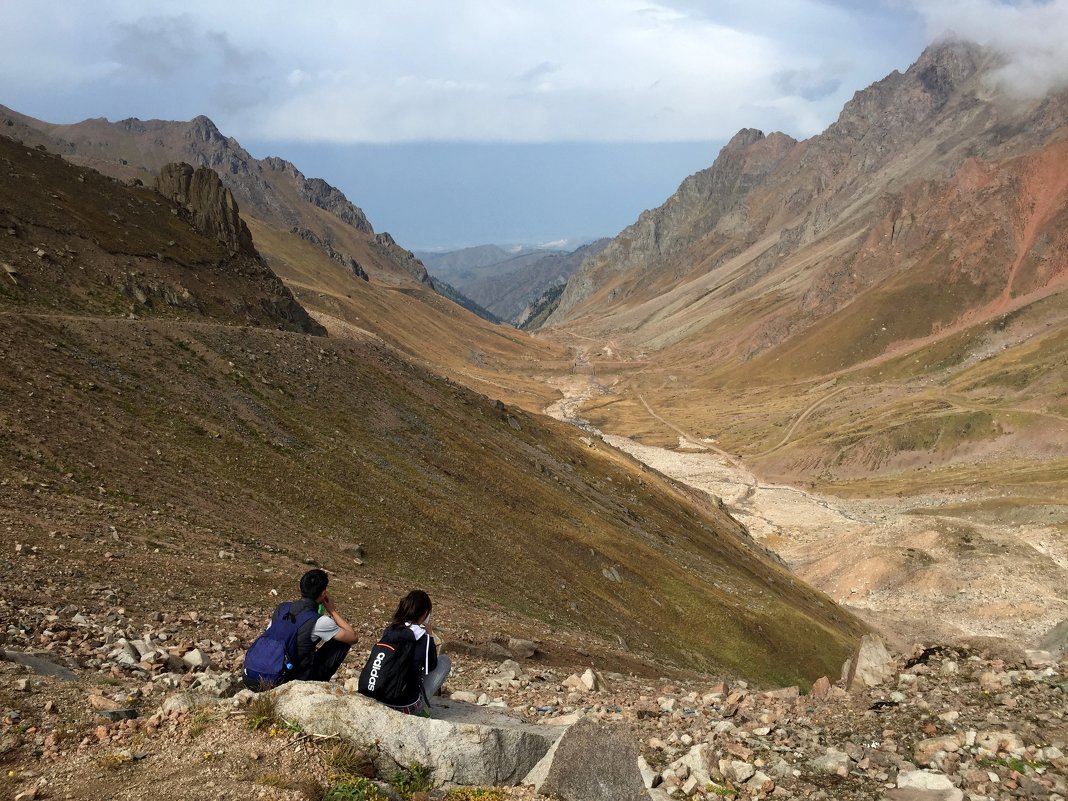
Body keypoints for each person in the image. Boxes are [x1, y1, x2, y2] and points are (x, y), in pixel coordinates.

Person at [259, 568, 358, 685]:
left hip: (263, 670)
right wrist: (332, 611)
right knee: (343, 641)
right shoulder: (319, 621)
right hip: (288, 678)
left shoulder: (282, 608)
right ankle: (315, 684)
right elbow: (353, 637)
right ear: (323, 594)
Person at [375, 589, 451, 715]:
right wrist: (430, 636)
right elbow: (430, 666)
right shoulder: (423, 637)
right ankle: (419, 707)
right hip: (405, 705)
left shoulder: (390, 629)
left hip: (382, 696)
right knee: (444, 661)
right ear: (425, 614)